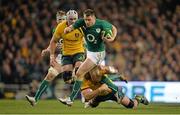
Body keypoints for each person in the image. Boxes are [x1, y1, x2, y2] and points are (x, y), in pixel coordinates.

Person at [58, 9, 119, 106]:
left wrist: (112, 38)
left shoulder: (102, 24)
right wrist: (67, 29)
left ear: (94, 18)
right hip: (89, 52)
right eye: (86, 19)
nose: (87, 22)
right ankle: (116, 88)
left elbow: (114, 28)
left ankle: (71, 99)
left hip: (97, 54)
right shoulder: (81, 22)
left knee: (79, 73)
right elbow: (72, 27)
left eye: (89, 20)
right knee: (96, 76)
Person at [25, 10, 66, 106]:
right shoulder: (55, 30)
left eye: (63, 19)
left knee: (83, 75)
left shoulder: (72, 28)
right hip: (63, 57)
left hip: (74, 55)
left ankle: (89, 97)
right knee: (50, 74)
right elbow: (53, 43)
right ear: (56, 20)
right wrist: (47, 50)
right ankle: (35, 99)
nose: (61, 21)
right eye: (59, 19)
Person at [80, 65, 149, 109]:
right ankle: (117, 91)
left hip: (112, 92)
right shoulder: (83, 79)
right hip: (99, 95)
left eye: (98, 75)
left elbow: (112, 71)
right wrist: (99, 90)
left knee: (132, 105)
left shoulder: (102, 70)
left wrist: (118, 75)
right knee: (93, 105)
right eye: (94, 77)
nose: (97, 78)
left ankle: (138, 98)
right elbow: (86, 96)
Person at [49, 10, 85, 84]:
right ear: (67, 19)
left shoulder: (82, 26)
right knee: (67, 79)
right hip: (66, 54)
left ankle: (79, 90)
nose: (73, 21)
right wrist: (51, 56)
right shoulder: (60, 27)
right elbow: (53, 42)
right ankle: (78, 85)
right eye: (71, 19)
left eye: (75, 19)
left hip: (79, 51)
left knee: (78, 71)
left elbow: (87, 39)